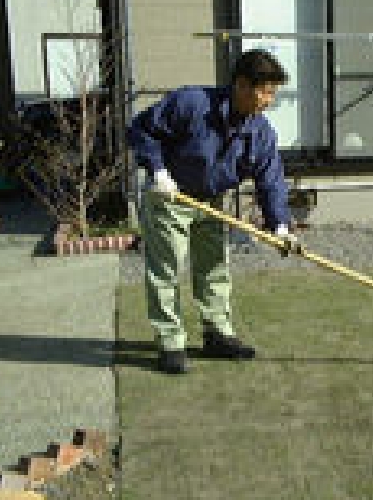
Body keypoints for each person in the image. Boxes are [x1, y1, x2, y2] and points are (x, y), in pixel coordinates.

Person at [127, 49, 296, 374]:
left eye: (273, 93)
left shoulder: (260, 131)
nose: (269, 100)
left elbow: (271, 180)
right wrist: (157, 170)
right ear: (242, 85)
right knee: (166, 269)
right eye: (266, 92)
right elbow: (141, 129)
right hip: (171, 196)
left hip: (212, 201)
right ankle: (170, 342)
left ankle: (217, 334)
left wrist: (280, 226)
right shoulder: (191, 103)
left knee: (215, 267)